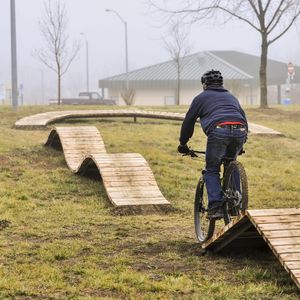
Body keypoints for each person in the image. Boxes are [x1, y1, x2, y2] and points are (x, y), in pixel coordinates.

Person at [177, 70, 248, 219]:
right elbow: (243, 117)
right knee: (231, 161)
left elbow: (188, 122)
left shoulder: (200, 98)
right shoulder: (231, 97)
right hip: (240, 130)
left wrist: (183, 143)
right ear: (221, 84)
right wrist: (241, 143)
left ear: (204, 84)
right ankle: (237, 199)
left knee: (212, 169)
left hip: (219, 131)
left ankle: (215, 206)